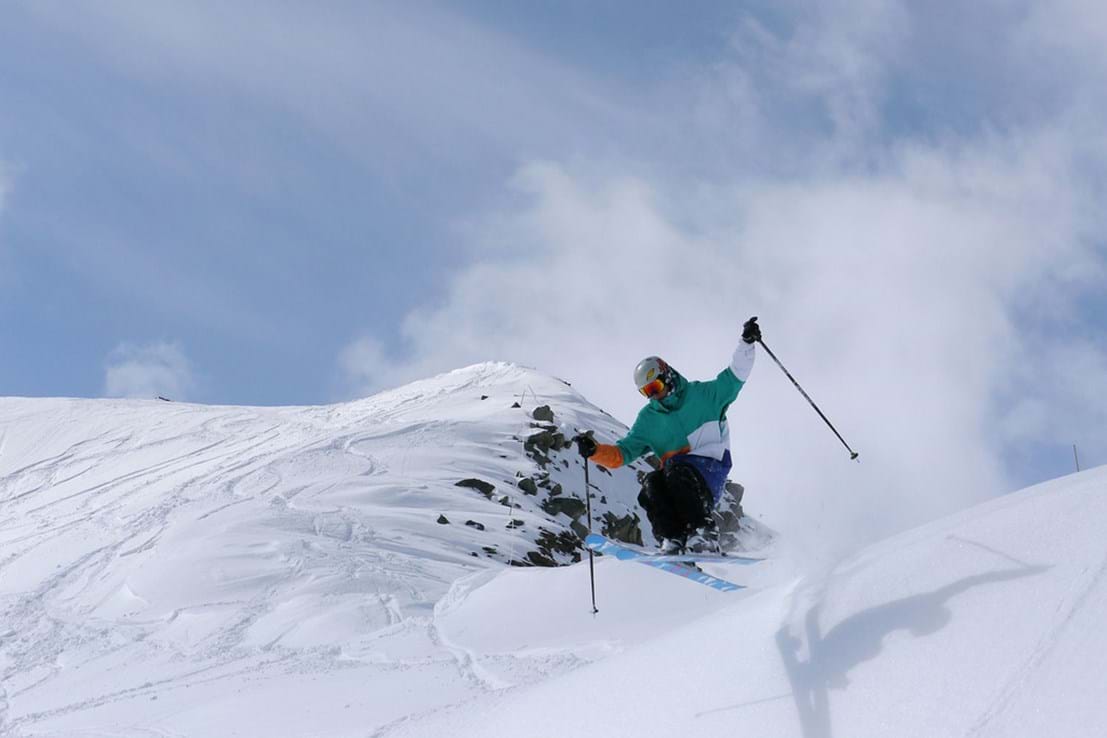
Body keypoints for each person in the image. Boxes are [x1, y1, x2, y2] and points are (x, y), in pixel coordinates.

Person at [576, 317, 760, 553]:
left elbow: (735, 377)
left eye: (656, 388)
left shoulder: (704, 396)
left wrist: (746, 343)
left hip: (709, 472)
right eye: (647, 392)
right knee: (652, 482)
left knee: (675, 469)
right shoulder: (649, 420)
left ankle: (704, 532)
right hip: (678, 478)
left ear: (668, 375)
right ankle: (673, 538)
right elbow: (622, 454)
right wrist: (594, 451)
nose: (655, 396)